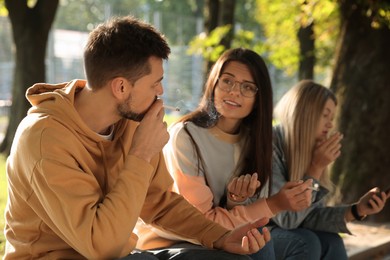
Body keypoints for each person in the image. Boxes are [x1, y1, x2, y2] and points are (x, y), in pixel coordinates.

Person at [3, 16, 272, 260]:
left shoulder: (129, 121)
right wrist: (141, 153)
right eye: (155, 83)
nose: (161, 91)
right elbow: (102, 247)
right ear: (121, 87)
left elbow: (159, 203)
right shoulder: (44, 139)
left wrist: (221, 237)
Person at [135, 48, 313, 259]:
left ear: (259, 98)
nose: (234, 91)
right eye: (227, 81)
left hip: (223, 233)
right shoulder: (186, 136)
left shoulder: (256, 141)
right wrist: (274, 204)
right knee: (260, 243)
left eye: (248, 87)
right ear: (214, 84)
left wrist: (234, 202)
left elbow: (243, 212)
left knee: (313, 242)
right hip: (176, 239)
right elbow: (202, 222)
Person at [270, 79, 390, 260]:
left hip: (283, 231)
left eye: (332, 118)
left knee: (332, 241)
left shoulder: (309, 150)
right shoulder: (269, 146)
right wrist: (315, 168)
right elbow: (287, 220)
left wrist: (357, 210)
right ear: (305, 113)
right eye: (325, 115)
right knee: (306, 242)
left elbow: (309, 217)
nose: (330, 124)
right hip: (256, 230)